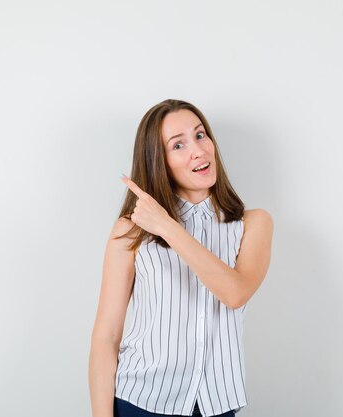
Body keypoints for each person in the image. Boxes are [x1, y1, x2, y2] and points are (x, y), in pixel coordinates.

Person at [89, 99, 273, 417]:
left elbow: (235, 293)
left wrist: (166, 226)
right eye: (179, 145)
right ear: (159, 161)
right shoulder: (129, 231)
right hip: (141, 402)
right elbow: (106, 336)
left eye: (200, 135)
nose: (198, 150)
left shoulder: (253, 224)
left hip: (217, 404)